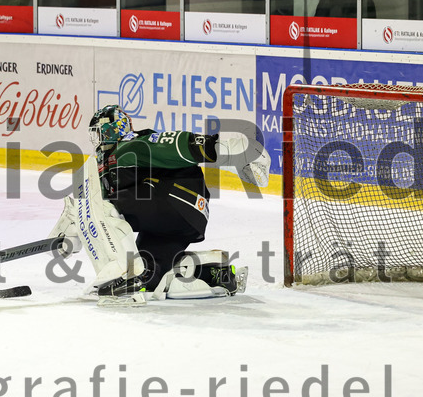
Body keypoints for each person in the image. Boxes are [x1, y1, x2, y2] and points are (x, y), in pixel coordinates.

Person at [47, 105, 270, 304]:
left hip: (174, 201)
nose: (95, 143)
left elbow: (182, 146)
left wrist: (243, 150)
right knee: (149, 277)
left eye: (96, 135)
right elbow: (94, 214)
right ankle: (217, 275)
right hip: (182, 221)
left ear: (109, 131)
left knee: (102, 200)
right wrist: (73, 235)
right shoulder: (116, 161)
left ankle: (119, 270)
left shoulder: (131, 146)